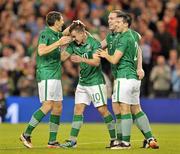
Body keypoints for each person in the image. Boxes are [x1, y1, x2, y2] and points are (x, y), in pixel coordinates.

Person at [99, 10, 159, 149]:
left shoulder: (125, 36)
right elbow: (137, 48)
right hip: (131, 78)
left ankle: (124, 142)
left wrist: (106, 54)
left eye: (114, 19)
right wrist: (139, 67)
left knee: (123, 109)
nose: (111, 21)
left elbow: (115, 59)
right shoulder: (119, 36)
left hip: (124, 76)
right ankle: (149, 138)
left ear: (124, 23)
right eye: (110, 19)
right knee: (133, 109)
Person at [60, 22, 117, 148]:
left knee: (102, 110)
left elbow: (96, 62)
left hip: (95, 82)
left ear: (82, 33)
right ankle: (72, 140)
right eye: (72, 37)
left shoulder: (94, 43)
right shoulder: (74, 44)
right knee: (78, 110)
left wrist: (81, 59)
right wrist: (58, 43)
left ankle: (115, 139)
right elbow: (62, 57)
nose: (73, 39)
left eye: (75, 36)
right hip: (82, 82)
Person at [20, 11, 72, 148]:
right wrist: (59, 43)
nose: (62, 22)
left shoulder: (56, 35)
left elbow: (65, 36)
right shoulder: (45, 34)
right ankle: (26, 134)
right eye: (61, 20)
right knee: (48, 105)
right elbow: (41, 51)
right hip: (47, 74)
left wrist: (74, 26)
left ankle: (52, 141)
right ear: (55, 22)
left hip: (55, 75)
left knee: (58, 106)